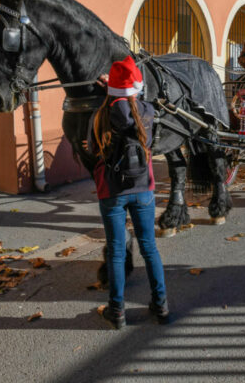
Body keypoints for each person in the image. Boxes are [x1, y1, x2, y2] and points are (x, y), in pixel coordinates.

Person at [90, 55, 169, 328]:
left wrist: (108, 94)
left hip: (111, 190)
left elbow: (92, 150)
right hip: (142, 189)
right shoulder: (147, 111)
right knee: (149, 247)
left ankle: (117, 311)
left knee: (115, 251)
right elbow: (134, 102)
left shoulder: (101, 114)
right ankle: (161, 306)